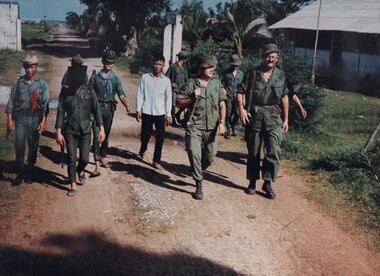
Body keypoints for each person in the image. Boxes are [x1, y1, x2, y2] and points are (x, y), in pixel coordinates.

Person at [236, 43, 289, 199]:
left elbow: (285, 97)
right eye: (268, 55)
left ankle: (267, 182)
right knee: (253, 152)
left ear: (277, 58)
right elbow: (240, 91)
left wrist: (286, 119)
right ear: (263, 57)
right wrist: (241, 109)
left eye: (273, 56)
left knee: (273, 151)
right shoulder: (252, 73)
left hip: (274, 118)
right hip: (255, 117)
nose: (270, 59)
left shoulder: (280, 75)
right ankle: (252, 181)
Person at [176, 54, 227, 200]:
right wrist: (192, 97)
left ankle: (198, 168)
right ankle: (198, 184)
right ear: (201, 68)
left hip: (211, 127)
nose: (212, 69)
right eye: (209, 67)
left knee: (210, 157)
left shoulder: (216, 84)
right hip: (195, 126)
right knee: (194, 153)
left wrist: (222, 123)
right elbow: (178, 103)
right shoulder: (191, 84)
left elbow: (222, 104)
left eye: (213, 67)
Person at [55, 65, 105, 196]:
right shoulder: (64, 93)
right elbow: (60, 113)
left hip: (85, 131)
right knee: (71, 158)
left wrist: (101, 128)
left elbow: (97, 111)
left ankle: (79, 170)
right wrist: (58, 132)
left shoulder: (89, 92)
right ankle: (73, 184)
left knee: (85, 158)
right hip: (70, 131)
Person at [5, 54, 49, 185]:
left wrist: (43, 121)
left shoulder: (42, 85)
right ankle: (20, 174)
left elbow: (45, 106)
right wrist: (9, 120)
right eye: (27, 67)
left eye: (32, 67)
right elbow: (11, 102)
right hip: (21, 119)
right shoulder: (18, 83)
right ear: (24, 67)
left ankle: (29, 172)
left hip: (35, 119)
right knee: (19, 146)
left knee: (32, 147)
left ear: (36, 67)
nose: (29, 70)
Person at [89, 49, 131, 176]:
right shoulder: (95, 78)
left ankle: (103, 156)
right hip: (96, 110)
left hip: (109, 110)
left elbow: (121, 94)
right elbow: (89, 95)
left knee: (106, 135)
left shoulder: (116, 79)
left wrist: (126, 104)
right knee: (97, 135)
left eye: (112, 62)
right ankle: (97, 164)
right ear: (102, 61)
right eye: (107, 61)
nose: (109, 64)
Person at [136, 55, 172, 170]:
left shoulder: (166, 81)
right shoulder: (145, 78)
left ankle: (156, 160)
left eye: (160, 64)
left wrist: (168, 114)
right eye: (156, 64)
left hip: (160, 113)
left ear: (163, 66)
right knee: (145, 135)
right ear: (153, 64)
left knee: (160, 138)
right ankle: (143, 148)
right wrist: (138, 109)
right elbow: (140, 93)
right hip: (147, 111)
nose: (157, 66)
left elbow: (168, 98)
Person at [221, 54, 244, 139]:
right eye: (233, 64)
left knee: (238, 113)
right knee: (228, 113)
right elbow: (220, 83)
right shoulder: (225, 73)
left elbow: (243, 86)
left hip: (238, 96)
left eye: (236, 65)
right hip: (229, 96)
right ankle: (229, 129)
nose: (235, 66)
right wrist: (223, 89)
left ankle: (234, 125)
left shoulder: (241, 74)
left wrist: (244, 97)